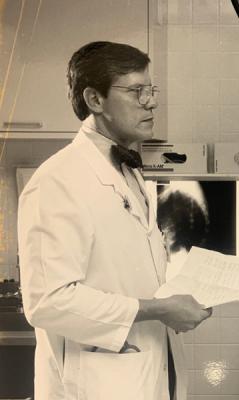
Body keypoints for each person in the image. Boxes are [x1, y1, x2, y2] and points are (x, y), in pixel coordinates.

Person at [17, 41, 211, 400]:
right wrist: (159, 309)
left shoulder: (128, 174)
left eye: (150, 90)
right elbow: (47, 300)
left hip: (149, 371)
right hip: (97, 383)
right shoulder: (57, 181)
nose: (151, 101)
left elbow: (123, 270)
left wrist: (183, 291)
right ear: (95, 100)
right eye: (137, 91)